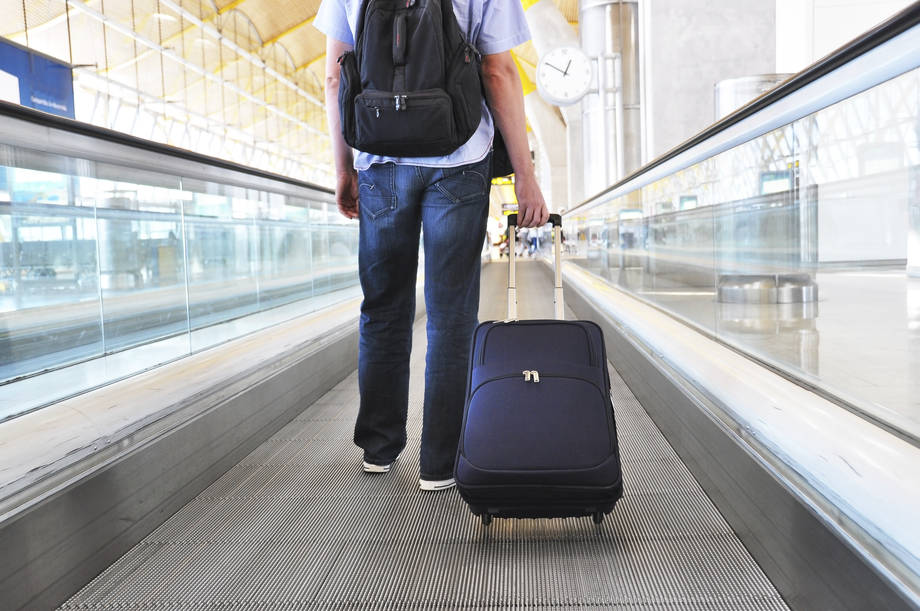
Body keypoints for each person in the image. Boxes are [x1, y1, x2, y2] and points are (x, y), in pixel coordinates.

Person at [315, 0, 549, 491]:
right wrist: (525, 176)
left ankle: (379, 448)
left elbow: (336, 78)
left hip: (380, 161)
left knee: (383, 309)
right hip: (459, 160)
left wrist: (343, 167)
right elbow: (498, 70)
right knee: (450, 314)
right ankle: (440, 462)